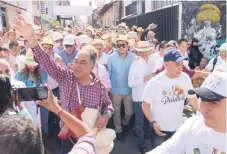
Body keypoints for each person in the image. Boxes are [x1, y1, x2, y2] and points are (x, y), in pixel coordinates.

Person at [13, 15, 113, 154]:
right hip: (68, 137)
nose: (77, 66)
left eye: (82, 63)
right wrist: (31, 39)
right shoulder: (66, 77)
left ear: (92, 66)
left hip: (91, 137)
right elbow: (47, 62)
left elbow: (108, 104)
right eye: (76, 61)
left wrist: (106, 116)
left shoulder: (98, 85)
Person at [147, 71, 226, 154]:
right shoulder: (192, 125)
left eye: (214, 103)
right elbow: (166, 150)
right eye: (203, 99)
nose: (204, 108)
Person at [142, 49, 199, 148]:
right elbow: (145, 105)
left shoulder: (185, 78)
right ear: (166, 64)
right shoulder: (155, 82)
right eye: (177, 64)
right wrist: (153, 122)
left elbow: (193, 99)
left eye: (182, 64)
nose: (180, 67)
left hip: (178, 128)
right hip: (159, 129)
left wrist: (206, 112)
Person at [128, 41, 157, 154]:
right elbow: (130, 83)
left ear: (150, 50)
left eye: (146, 51)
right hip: (139, 98)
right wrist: (146, 78)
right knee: (139, 121)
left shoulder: (153, 63)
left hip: (150, 97)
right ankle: (141, 144)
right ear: (138, 51)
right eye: (142, 51)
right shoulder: (135, 64)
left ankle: (147, 138)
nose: (144, 53)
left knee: (149, 120)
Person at [107, 35, 135, 142]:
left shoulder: (133, 57)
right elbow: (108, 74)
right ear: (116, 46)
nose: (121, 47)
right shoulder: (111, 58)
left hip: (129, 90)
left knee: (129, 112)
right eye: (119, 45)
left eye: (123, 45)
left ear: (127, 46)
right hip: (115, 90)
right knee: (116, 112)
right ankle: (118, 131)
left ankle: (125, 123)